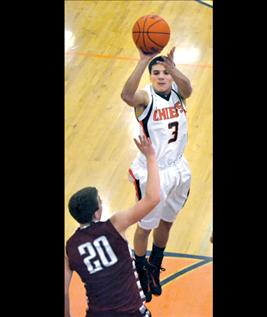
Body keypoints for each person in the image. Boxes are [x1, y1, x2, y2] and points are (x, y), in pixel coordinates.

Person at [120, 46, 193, 302]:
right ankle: (140, 269)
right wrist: (143, 61)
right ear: (151, 77)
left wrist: (174, 67)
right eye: (157, 73)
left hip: (178, 169)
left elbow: (190, 89)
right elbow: (127, 95)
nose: (162, 77)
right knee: (145, 227)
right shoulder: (145, 98)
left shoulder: (178, 92)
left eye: (165, 73)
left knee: (168, 221)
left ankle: (155, 264)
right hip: (154, 172)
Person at [65, 135, 160, 317]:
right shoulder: (115, 225)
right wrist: (151, 157)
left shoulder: (69, 248)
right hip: (132, 312)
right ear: (96, 213)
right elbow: (153, 198)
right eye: (100, 202)